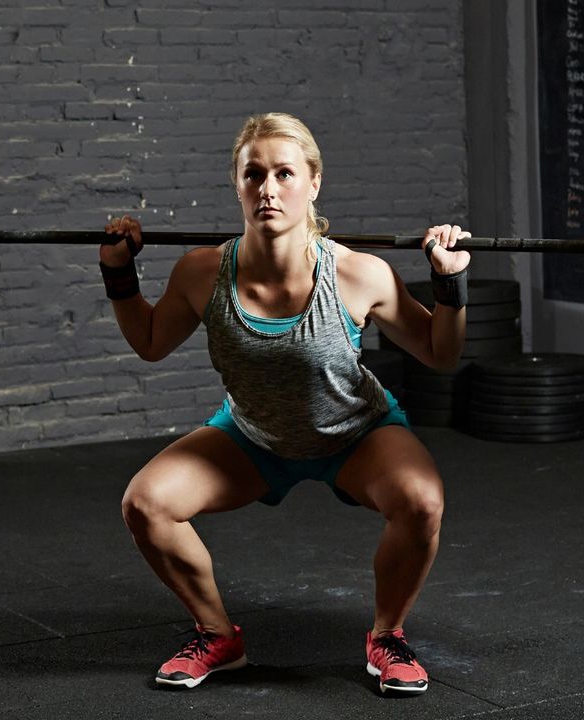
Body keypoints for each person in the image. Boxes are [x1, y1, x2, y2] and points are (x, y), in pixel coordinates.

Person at [99, 112, 470, 695]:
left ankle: (387, 637)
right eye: (253, 175)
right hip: (254, 437)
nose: (268, 189)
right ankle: (218, 636)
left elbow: (439, 352)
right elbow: (149, 343)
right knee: (146, 504)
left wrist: (450, 284)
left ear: (313, 182)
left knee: (422, 502)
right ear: (237, 184)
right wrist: (118, 275)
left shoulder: (356, 273)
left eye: (284, 173)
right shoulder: (202, 273)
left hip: (354, 434)